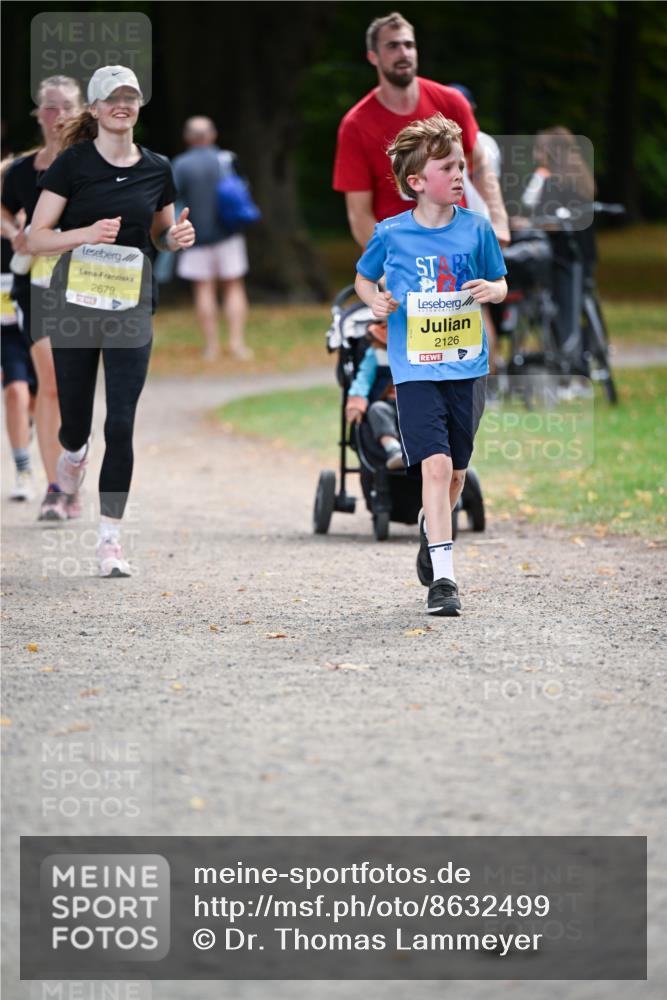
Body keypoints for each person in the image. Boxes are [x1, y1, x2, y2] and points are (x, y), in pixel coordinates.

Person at [28, 65, 195, 577]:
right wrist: (85, 234)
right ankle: (73, 456)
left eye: (130, 96)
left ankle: (109, 541)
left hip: (131, 306)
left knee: (120, 422)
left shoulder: (158, 168)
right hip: (74, 307)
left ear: (138, 105)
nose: (122, 104)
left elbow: (162, 233)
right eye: (112, 97)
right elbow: (36, 237)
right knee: (75, 425)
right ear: (96, 109)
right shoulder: (73, 164)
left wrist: (174, 240)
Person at [354, 113, 507, 616]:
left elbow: (500, 281)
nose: (460, 175)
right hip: (415, 369)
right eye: (448, 168)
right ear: (417, 181)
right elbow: (363, 278)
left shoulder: (477, 229)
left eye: (462, 166)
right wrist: (374, 301)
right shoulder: (391, 233)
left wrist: (492, 291)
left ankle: (429, 526)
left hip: (467, 368)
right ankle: (444, 580)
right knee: (435, 466)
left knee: (457, 473)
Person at [333, 10, 510, 250]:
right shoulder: (356, 125)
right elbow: (359, 213)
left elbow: (478, 165)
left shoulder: (451, 103)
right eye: (392, 46)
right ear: (373, 56)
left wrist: (499, 220)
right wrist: (389, 259)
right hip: (400, 249)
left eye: (409, 45)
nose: (403, 53)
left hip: (458, 245)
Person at [1, 76, 84, 520]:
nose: (59, 115)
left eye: (68, 106)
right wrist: (15, 232)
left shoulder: (93, 165)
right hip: (36, 287)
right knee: (50, 384)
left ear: (83, 111)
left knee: (73, 389)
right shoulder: (20, 172)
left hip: (87, 286)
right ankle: (57, 488)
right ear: (38, 115)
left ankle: (73, 469)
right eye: (51, 107)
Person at [172, 116, 252, 361]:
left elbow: (172, 198)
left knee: (203, 289)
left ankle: (211, 347)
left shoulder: (180, 165)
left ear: (187, 138)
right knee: (234, 286)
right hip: (229, 234)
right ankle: (237, 343)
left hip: (195, 236)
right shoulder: (226, 159)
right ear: (212, 135)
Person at [1, 220, 37, 500]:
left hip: (41, 324)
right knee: (15, 391)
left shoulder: (40, 220)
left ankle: (31, 425)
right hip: (6, 330)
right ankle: (23, 470)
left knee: (40, 400)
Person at [344, 321, 404, 470]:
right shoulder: (376, 353)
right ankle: (393, 448)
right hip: (387, 404)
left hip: (414, 405)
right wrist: (356, 402)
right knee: (377, 409)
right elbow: (363, 379)